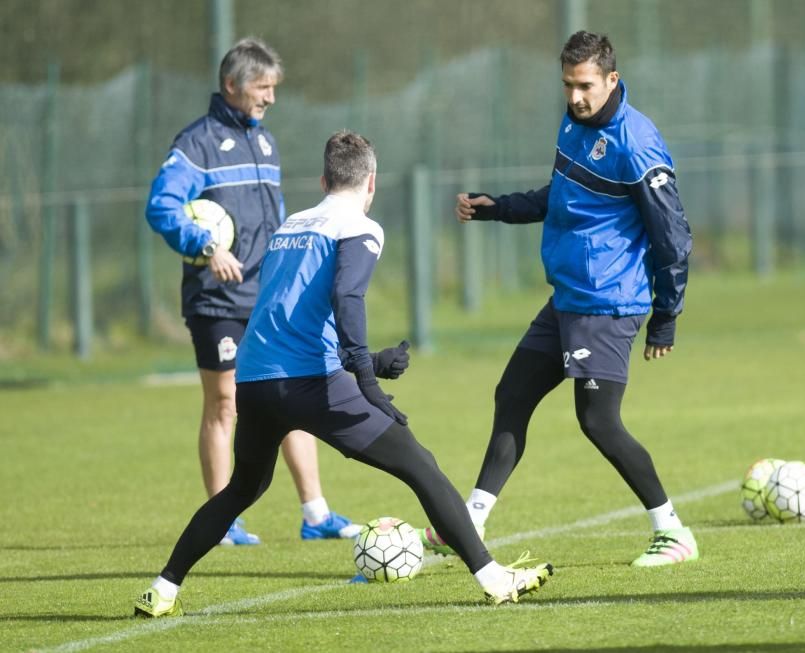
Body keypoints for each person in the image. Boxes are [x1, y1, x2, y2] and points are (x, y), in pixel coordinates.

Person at [133, 130, 554, 617]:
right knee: (421, 467)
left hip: (254, 380)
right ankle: (494, 578)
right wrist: (367, 383)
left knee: (243, 488)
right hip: (311, 383)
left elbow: (291, 315)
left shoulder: (290, 225)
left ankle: (162, 589)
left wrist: (369, 362)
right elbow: (347, 298)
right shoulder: (360, 226)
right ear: (370, 181)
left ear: (324, 178)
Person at [423, 31, 697, 568]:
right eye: (568, 85)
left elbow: (674, 238)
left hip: (608, 301)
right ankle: (469, 522)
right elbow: (564, 195)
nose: (575, 96)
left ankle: (674, 531)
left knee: (598, 422)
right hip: (568, 297)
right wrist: (496, 208)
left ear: (612, 80)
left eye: (586, 86)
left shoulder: (637, 143)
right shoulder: (574, 124)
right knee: (512, 395)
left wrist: (665, 317)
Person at [145, 37, 360, 544]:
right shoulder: (194, 145)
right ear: (231, 85)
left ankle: (316, 515)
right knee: (225, 403)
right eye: (262, 88)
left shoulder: (264, 141)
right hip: (216, 299)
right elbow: (162, 206)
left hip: (268, 293)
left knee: (293, 390)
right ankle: (224, 523)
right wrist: (205, 245)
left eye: (272, 88)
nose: (270, 98)